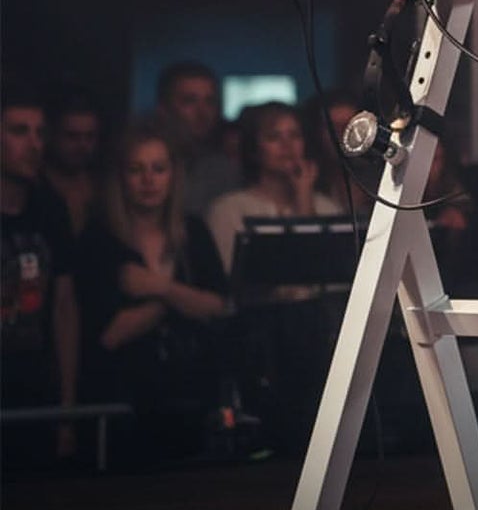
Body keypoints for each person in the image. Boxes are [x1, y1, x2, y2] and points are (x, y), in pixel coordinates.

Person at [75, 118, 228, 459]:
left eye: (159, 169)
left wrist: (158, 287)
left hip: (193, 396)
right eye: (136, 170)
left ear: (174, 174)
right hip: (123, 401)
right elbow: (111, 334)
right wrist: (183, 300)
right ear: (120, 177)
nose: (149, 180)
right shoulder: (99, 239)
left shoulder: (193, 231)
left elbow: (220, 306)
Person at [1, 82, 80, 464]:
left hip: (35, 386)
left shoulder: (50, 207)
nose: (34, 144)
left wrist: (67, 409)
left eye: (40, 133)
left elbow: (65, 307)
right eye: (20, 131)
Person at [205, 102, 342, 278]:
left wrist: (304, 199)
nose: (287, 145)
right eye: (273, 137)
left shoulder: (328, 208)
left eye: (295, 135)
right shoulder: (228, 210)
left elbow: (324, 272)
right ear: (254, 149)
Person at [156, 62, 240, 219]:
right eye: (189, 101)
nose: (203, 112)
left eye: (210, 101)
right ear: (164, 109)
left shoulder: (227, 168)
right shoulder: (148, 163)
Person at [43, 91, 103, 237]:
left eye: (89, 137)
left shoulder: (104, 189)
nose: (82, 145)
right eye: (72, 136)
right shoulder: (34, 187)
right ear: (51, 136)